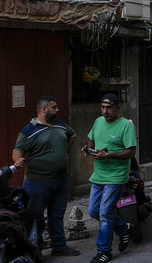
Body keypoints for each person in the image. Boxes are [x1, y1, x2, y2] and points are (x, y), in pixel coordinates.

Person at [11, 96, 80, 257]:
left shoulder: (61, 125)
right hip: (37, 182)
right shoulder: (29, 129)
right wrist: (18, 159)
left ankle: (59, 246)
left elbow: (73, 135)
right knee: (36, 217)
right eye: (54, 107)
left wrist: (65, 152)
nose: (57, 110)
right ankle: (35, 249)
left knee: (56, 215)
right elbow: (17, 150)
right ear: (43, 109)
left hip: (61, 180)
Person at [82, 94, 137, 263]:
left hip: (116, 175)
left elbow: (131, 152)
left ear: (117, 107)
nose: (105, 111)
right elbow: (91, 141)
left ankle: (104, 251)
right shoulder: (98, 121)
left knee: (105, 212)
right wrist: (87, 149)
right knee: (93, 211)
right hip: (98, 175)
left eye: (109, 108)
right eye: (102, 107)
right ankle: (123, 228)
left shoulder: (126, 126)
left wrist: (109, 155)